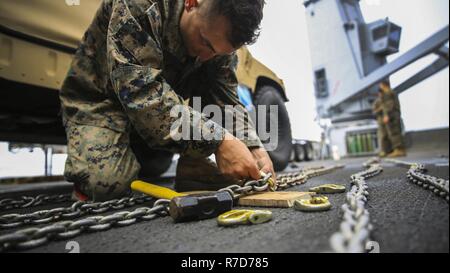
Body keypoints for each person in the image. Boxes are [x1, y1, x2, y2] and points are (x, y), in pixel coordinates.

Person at [59, 0, 275, 201]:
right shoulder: (140, 5)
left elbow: (225, 99)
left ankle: (193, 166)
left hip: (158, 112)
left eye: (219, 52)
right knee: (106, 185)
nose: (207, 56)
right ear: (191, 2)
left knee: (238, 165)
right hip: (102, 101)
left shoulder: (216, 39)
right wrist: (218, 141)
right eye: (205, 42)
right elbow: (143, 94)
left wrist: (253, 146)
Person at [372, 81, 406, 158]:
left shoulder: (388, 93)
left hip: (392, 115)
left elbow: (389, 105)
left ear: (383, 85)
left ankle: (399, 149)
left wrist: (386, 115)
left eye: (381, 85)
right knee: (391, 133)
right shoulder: (389, 93)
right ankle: (394, 150)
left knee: (394, 132)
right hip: (393, 115)